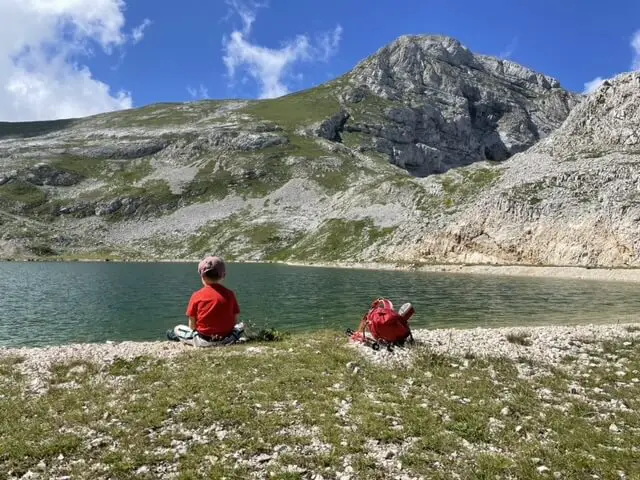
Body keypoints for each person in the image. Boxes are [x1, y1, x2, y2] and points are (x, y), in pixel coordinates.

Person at [167, 255, 245, 347]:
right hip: (227, 338)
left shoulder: (197, 295)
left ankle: (180, 338)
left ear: (202, 276)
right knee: (241, 326)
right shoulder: (231, 294)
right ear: (223, 275)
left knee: (178, 328)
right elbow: (235, 320)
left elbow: (192, 325)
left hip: (203, 340)